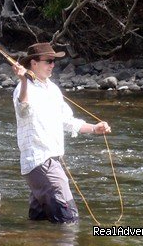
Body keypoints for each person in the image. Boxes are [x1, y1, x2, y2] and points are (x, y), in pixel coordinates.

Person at [11, 42, 111, 224]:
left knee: (39, 222)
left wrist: (94, 128)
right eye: (48, 61)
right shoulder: (23, 89)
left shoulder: (53, 89)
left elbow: (67, 121)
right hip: (40, 162)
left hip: (50, 162)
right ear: (33, 63)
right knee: (68, 219)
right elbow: (23, 109)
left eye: (53, 61)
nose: (52, 65)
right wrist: (24, 81)